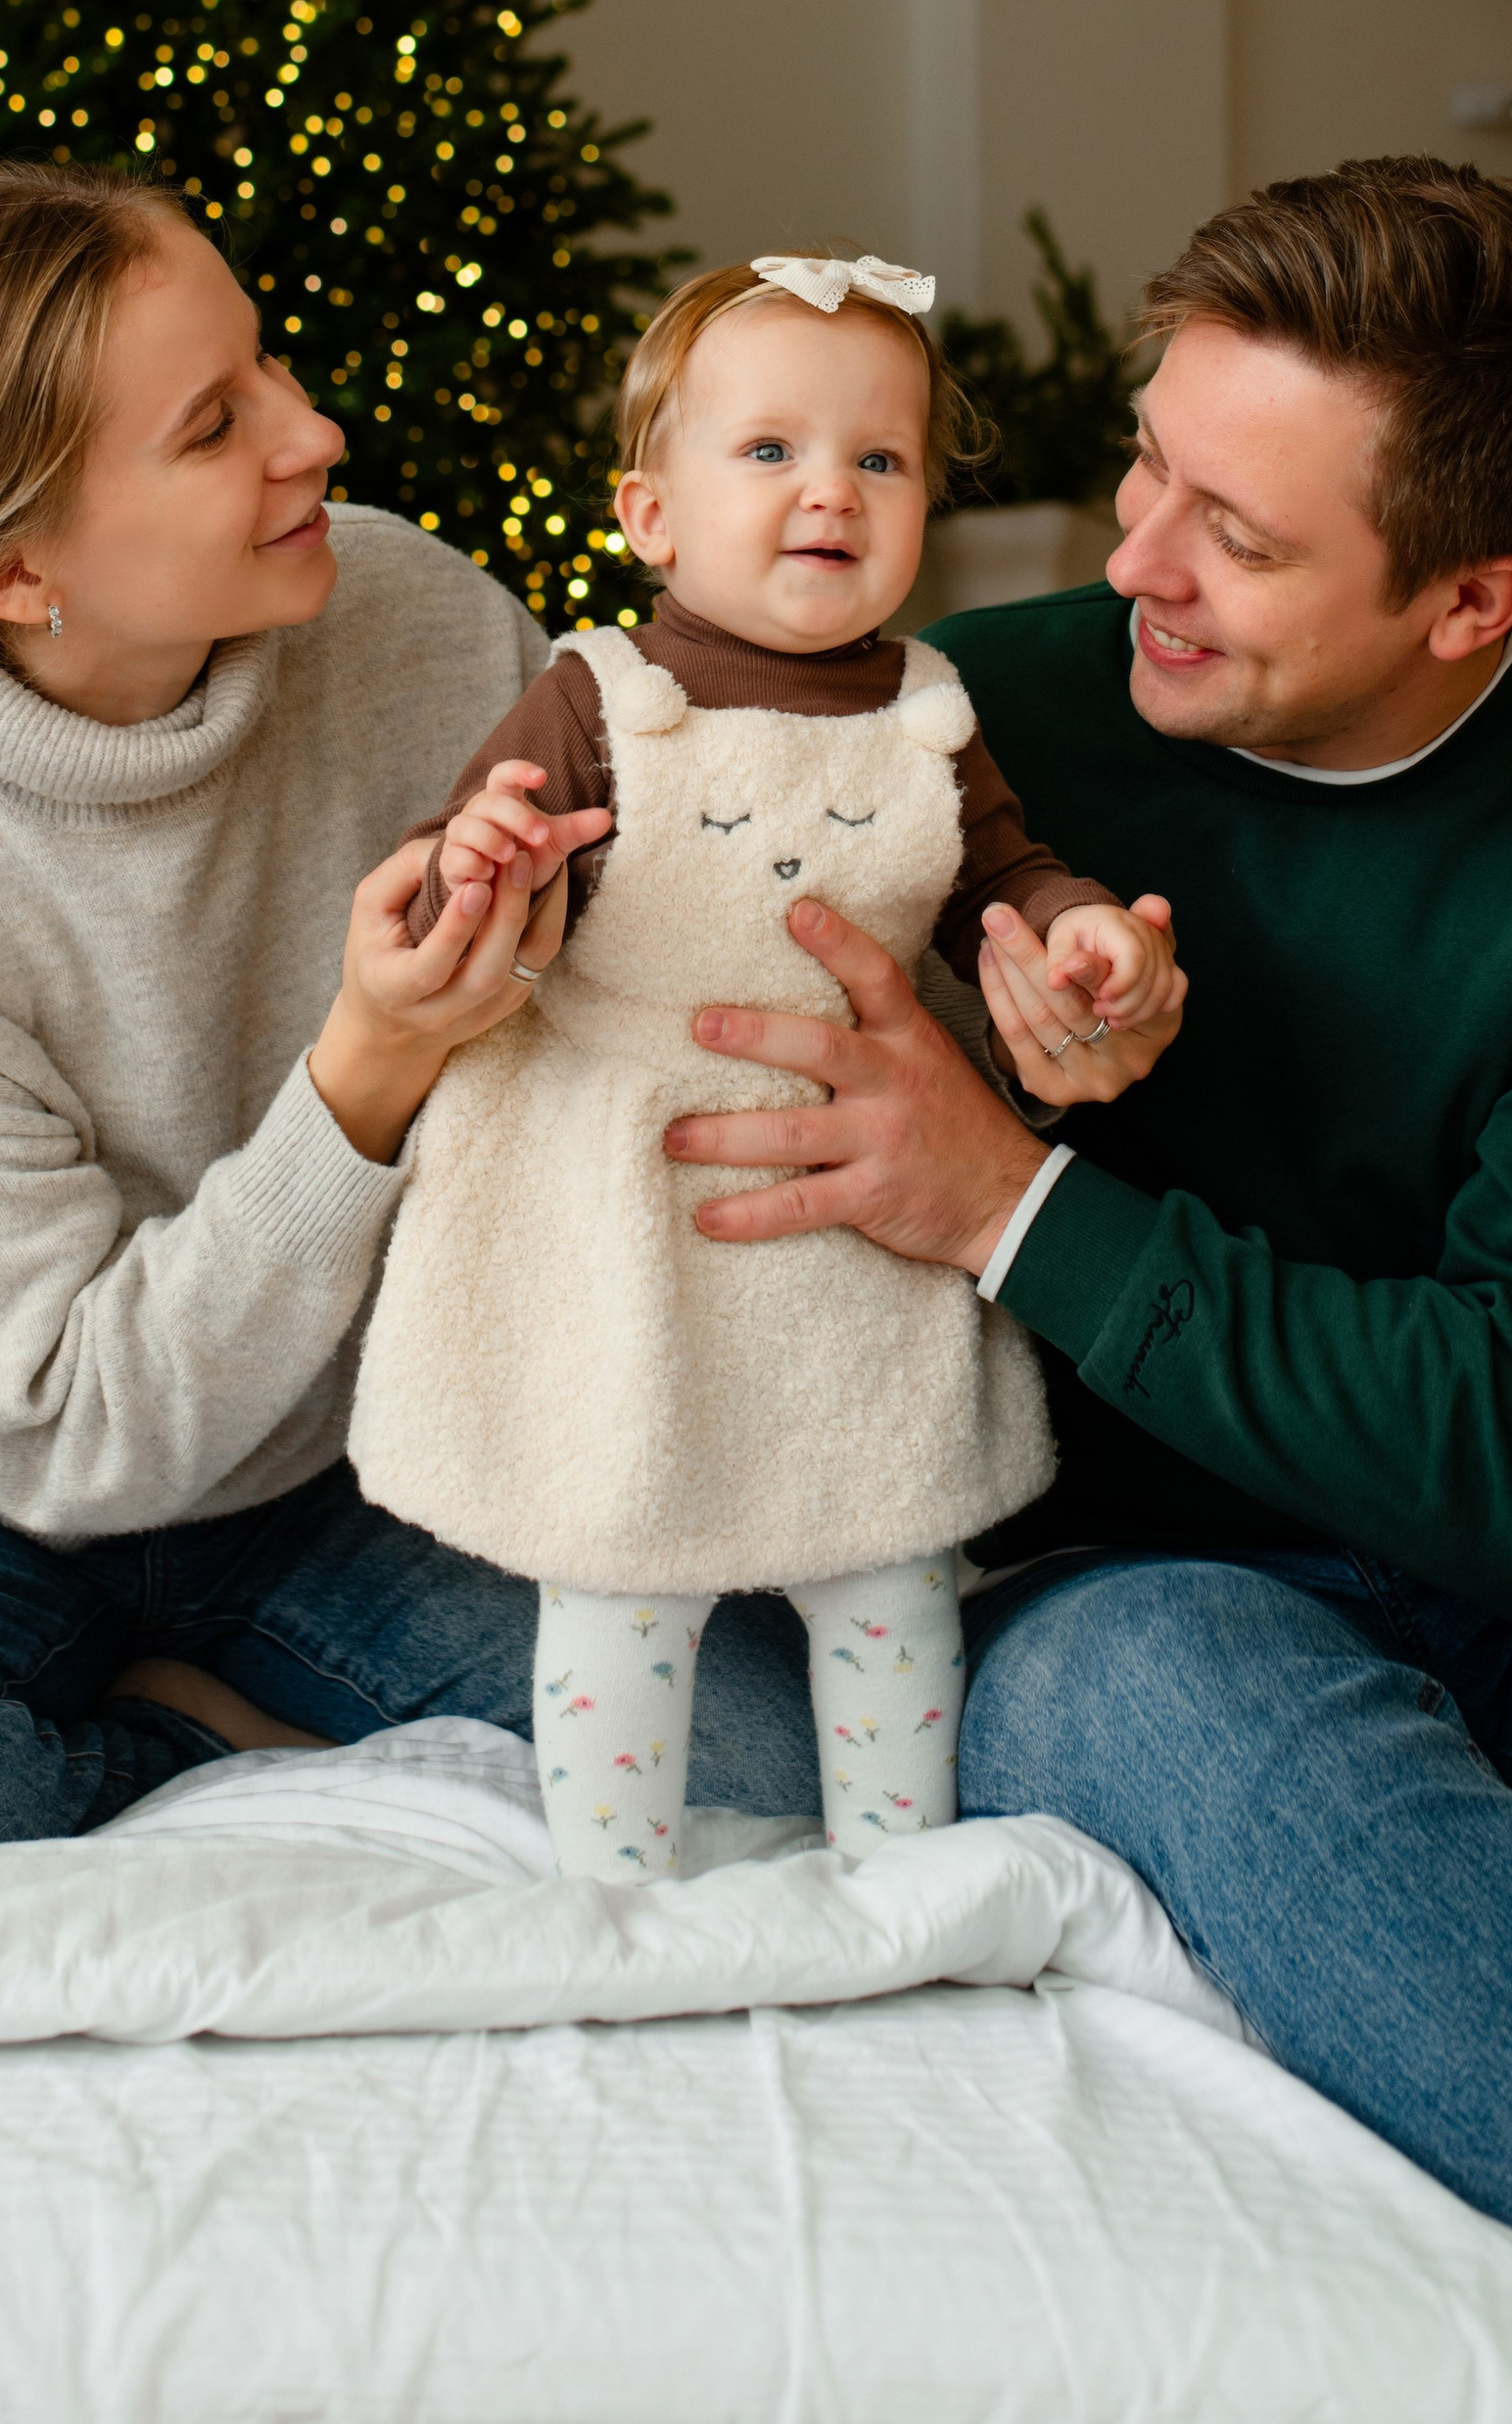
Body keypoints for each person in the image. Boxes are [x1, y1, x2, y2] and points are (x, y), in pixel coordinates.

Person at [657, 158, 1512, 2424]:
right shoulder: (948, 720)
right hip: (1122, 1572)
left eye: (1234, 533)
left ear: (1473, 595)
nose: (1132, 553)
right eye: (1150, 459)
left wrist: (1020, 1210)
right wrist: (956, 1076)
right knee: (1199, 1712)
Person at [0, 160, 823, 1897]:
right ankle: (184, 1731)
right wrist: (365, 1073)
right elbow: (63, 1421)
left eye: (274, 370)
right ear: (19, 569)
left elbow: (639, 986)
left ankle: (196, 1698)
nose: (312, 437)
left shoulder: (408, 618)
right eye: (217, 424)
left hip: (333, 1451)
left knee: (766, 1748)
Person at [347, 248, 1181, 1875]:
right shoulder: (601, 695)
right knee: (623, 1558)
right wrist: (484, 860)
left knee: (889, 1564)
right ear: (652, 517)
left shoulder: (929, 712)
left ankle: (900, 1860)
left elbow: (997, 875)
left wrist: (1082, 930)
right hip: (633, 1208)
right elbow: (471, 874)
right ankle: (615, 1883)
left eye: (881, 458)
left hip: (850, 1210)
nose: (833, 493)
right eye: (773, 452)